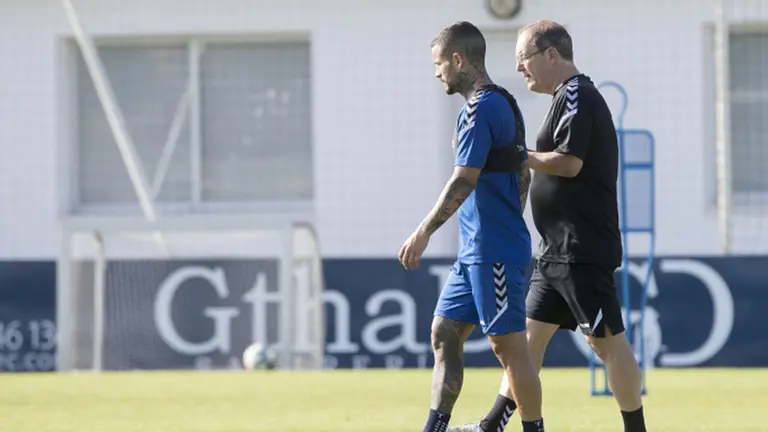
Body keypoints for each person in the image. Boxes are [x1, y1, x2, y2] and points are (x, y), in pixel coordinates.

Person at [447, 20, 647, 432]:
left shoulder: (577, 95)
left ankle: (636, 428)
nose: (520, 69)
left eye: (524, 58)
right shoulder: (563, 98)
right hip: (553, 251)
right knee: (524, 345)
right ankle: (492, 424)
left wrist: (520, 156)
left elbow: (570, 162)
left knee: (607, 343)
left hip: (580, 248)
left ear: (551, 54)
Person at [398, 20, 545, 432]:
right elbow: (522, 175)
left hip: (493, 252)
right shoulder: (505, 102)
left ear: (459, 60)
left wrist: (424, 231)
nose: (437, 72)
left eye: (440, 63)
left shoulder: (481, 108)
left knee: (509, 348)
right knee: (444, 332)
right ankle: (435, 429)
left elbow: (465, 178)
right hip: (477, 251)